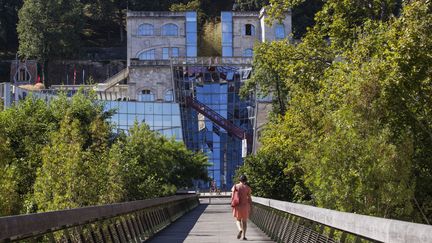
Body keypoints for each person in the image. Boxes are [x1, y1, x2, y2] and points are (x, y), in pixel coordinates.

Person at [231, 175, 252, 240]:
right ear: (245, 180)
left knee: (238, 220)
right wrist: (251, 206)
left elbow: (232, 196)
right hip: (245, 206)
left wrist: (232, 203)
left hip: (237, 205)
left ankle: (240, 229)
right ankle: (244, 236)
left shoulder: (235, 186)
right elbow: (249, 198)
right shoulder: (247, 188)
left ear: (239, 180)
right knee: (244, 222)